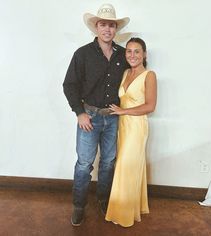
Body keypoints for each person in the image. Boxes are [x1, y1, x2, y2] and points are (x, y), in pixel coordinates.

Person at [63, 3, 130, 226]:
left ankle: (104, 200)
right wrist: (80, 113)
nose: (107, 29)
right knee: (84, 164)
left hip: (112, 117)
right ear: (96, 27)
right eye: (103, 24)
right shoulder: (82, 54)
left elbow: (134, 78)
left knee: (109, 162)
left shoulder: (123, 54)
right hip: (89, 117)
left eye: (111, 25)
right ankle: (79, 205)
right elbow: (69, 85)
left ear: (115, 28)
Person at [105, 37, 157, 227]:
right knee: (127, 166)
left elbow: (150, 106)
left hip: (136, 127)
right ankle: (131, 206)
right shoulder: (126, 72)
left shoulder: (149, 75)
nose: (132, 55)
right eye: (129, 51)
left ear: (144, 54)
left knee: (126, 166)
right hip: (123, 126)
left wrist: (123, 111)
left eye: (137, 51)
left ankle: (124, 214)